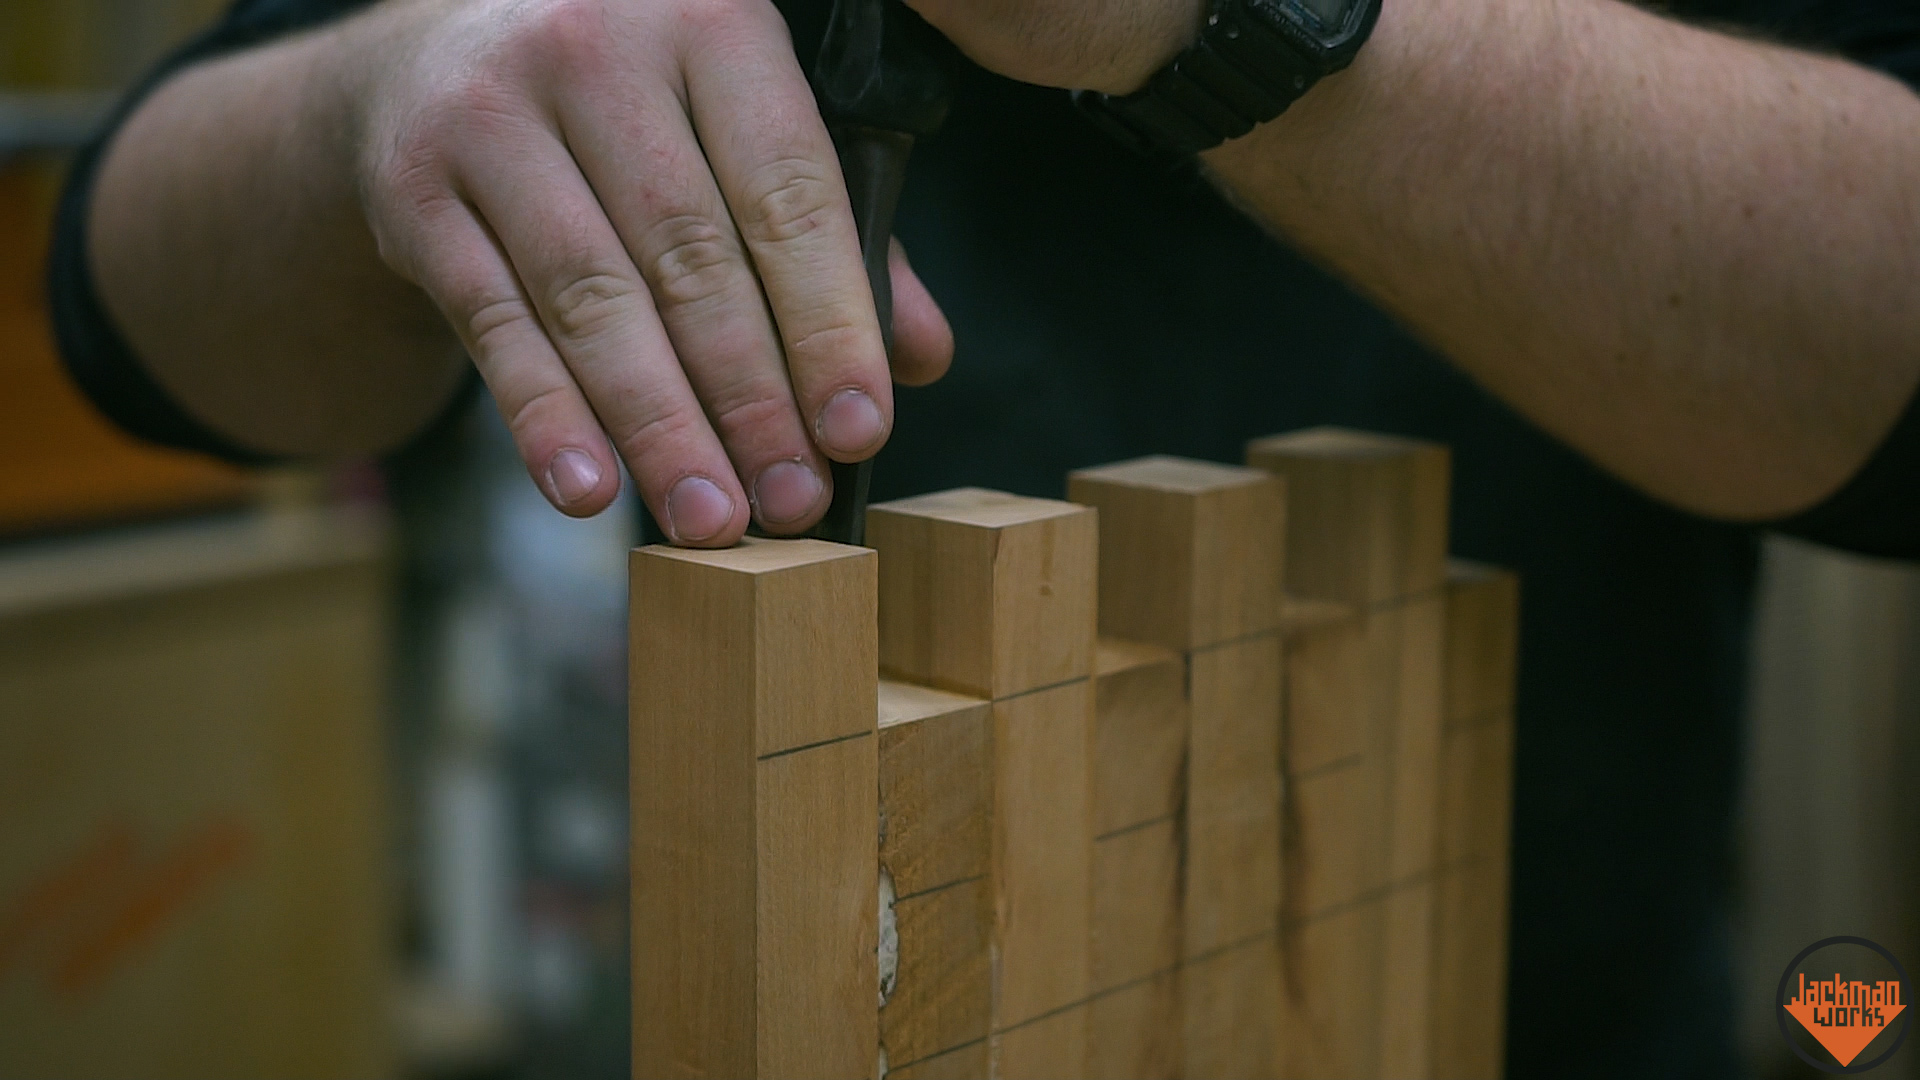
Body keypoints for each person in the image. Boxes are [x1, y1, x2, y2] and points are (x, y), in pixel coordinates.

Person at [46, 0, 1920, 1073]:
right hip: (784, 987)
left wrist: (1242, 21)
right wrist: (368, 102)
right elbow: (123, 315)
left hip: (1490, 994)